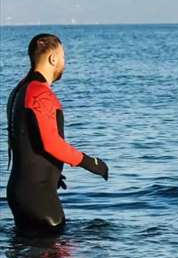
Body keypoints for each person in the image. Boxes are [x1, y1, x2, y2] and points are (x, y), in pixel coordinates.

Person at [6, 34, 109, 233]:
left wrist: (53, 170)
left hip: (20, 190)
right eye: (63, 57)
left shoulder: (18, 91)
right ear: (53, 58)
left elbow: (24, 139)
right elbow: (51, 143)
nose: (64, 63)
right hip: (38, 195)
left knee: (27, 251)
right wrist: (91, 163)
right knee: (57, 251)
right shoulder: (40, 93)